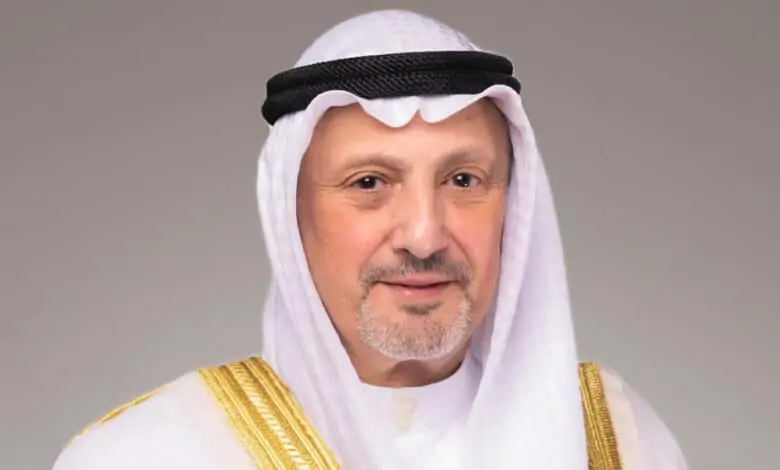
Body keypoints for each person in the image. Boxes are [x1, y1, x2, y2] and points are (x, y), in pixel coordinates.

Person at [53, 9, 688, 470]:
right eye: (369, 183)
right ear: (292, 214)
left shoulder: (622, 444)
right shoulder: (146, 454)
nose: (423, 235)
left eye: (463, 180)